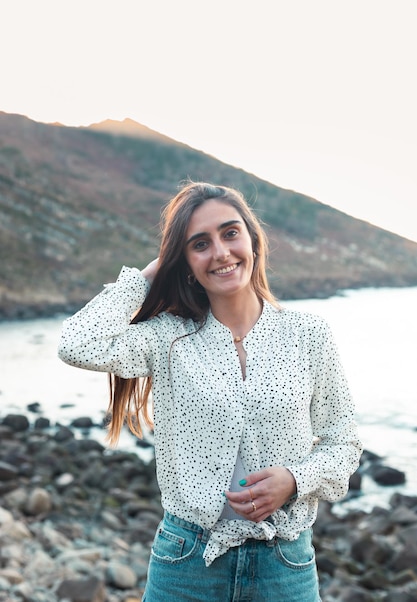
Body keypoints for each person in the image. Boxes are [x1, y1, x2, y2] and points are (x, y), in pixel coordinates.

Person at [58, 180, 362, 602]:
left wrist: (294, 479)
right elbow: (77, 344)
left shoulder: (307, 335)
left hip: (285, 566)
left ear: (253, 241)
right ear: (184, 261)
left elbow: (344, 442)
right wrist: (151, 272)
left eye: (230, 233)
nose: (220, 252)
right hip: (186, 566)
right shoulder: (167, 339)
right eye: (199, 244)